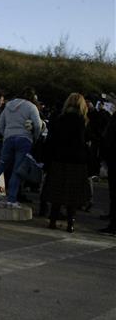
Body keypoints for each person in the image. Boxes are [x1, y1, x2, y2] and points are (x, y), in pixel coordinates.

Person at [0, 87, 43, 207]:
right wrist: (34, 137)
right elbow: (38, 125)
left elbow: (0, 125)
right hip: (24, 140)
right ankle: (11, 199)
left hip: (8, 139)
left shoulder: (8, 106)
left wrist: (7, 135)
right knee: (17, 170)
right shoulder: (31, 107)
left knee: (1, 165)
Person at [43, 93, 90, 233]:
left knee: (57, 191)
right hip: (77, 161)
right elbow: (85, 142)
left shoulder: (60, 119)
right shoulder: (84, 121)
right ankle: (71, 222)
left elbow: (52, 140)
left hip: (59, 159)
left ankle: (52, 219)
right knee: (73, 194)